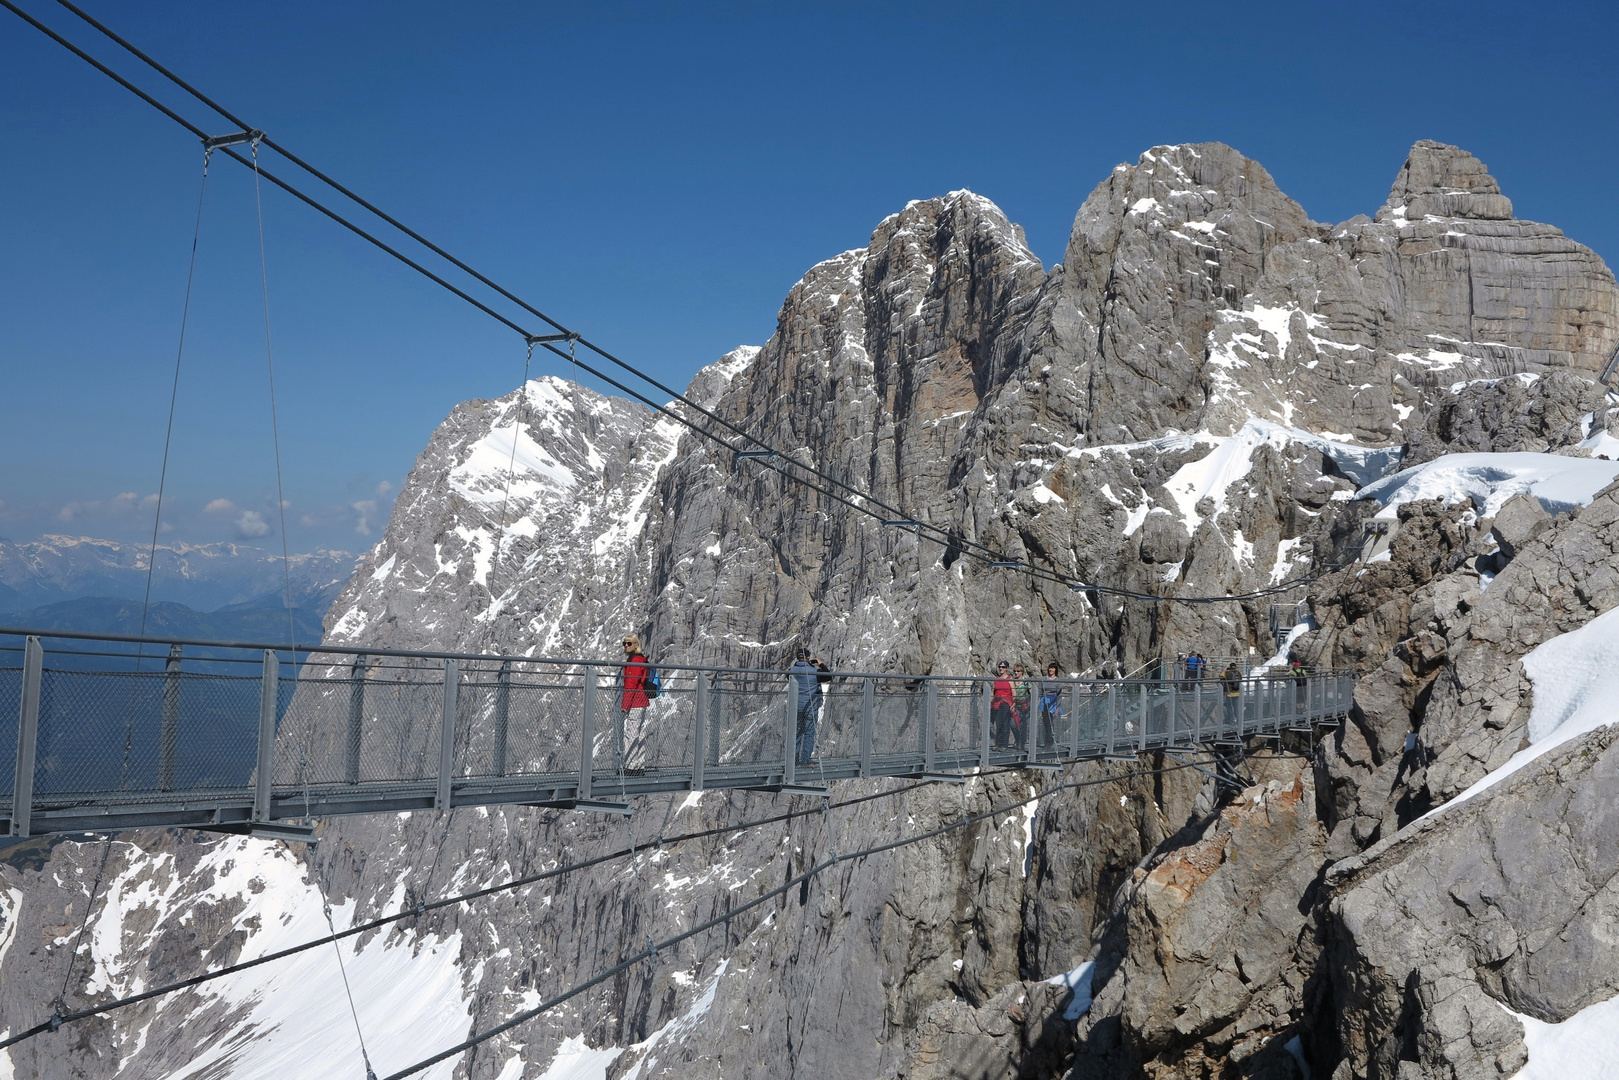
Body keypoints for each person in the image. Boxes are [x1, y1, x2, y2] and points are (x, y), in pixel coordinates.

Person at [618, 634, 652, 771]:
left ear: (636, 645)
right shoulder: (640, 660)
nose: (626, 646)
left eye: (629, 643)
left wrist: (625, 705)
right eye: (624, 643)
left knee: (631, 733)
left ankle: (631, 767)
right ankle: (639, 765)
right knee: (639, 733)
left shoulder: (635, 662)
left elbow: (631, 685)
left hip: (635, 702)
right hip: (641, 700)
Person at [790, 649, 829, 766]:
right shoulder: (814, 672)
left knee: (796, 733)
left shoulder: (792, 671)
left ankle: (794, 761)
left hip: (796, 707)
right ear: (808, 657)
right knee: (809, 733)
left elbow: (789, 675)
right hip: (810, 706)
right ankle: (805, 760)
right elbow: (828, 676)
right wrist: (820, 664)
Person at [1039, 662, 1065, 750]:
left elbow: (1059, 695)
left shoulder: (1058, 681)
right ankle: (1047, 741)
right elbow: (1040, 691)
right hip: (1044, 701)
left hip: (1053, 702)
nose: (1051, 670)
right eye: (1050, 668)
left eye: (1053, 668)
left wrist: (1057, 708)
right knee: (1046, 722)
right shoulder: (1043, 679)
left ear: (1055, 670)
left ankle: (1050, 742)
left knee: (1051, 723)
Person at [991, 661, 1016, 749]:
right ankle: (998, 744)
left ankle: (1004, 745)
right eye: (1000, 667)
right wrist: (990, 703)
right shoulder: (996, 679)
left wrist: (1013, 705)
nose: (1001, 668)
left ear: (1007, 668)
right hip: (997, 703)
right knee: (999, 724)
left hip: (1006, 703)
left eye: (1003, 667)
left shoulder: (1010, 679)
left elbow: (1014, 693)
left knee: (1005, 724)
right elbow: (993, 692)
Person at [1011, 664, 1033, 751]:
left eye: (1018, 671)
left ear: (1022, 672)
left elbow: (1031, 692)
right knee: (1013, 724)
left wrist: (1029, 703)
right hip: (1015, 705)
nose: (1016, 673)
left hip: (1024, 706)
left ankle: (1021, 743)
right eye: (1015, 671)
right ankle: (1018, 739)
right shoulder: (1013, 681)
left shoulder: (1026, 682)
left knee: (1023, 725)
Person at [1221, 661, 1242, 727]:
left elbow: (1221, 675)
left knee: (1229, 707)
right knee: (1236, 707)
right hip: (1237, 692)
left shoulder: (1227, 673)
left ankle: (1231, 721)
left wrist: (1224, 670)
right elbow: (1241, 677)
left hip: (1229, 693)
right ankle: (1237, 720)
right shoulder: (1238, 673)